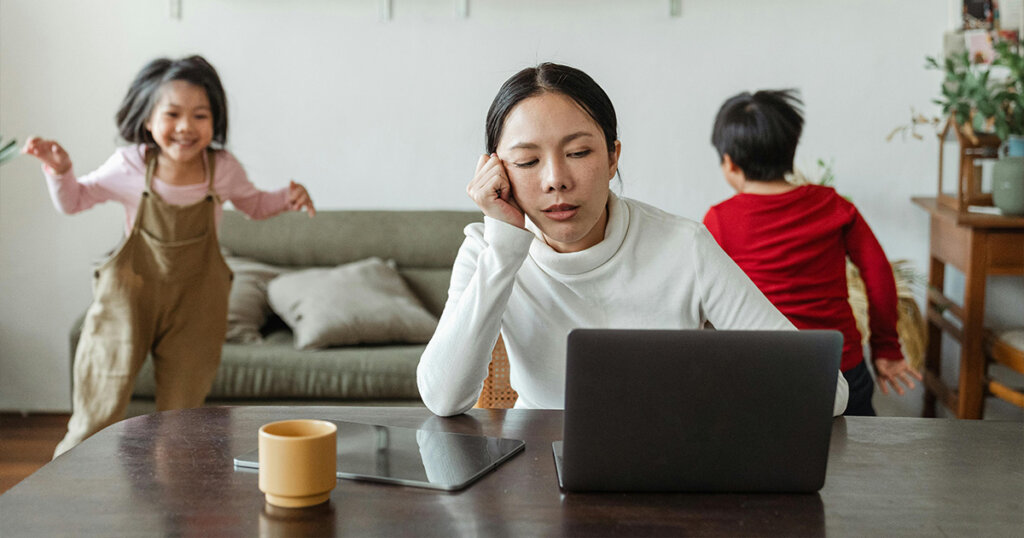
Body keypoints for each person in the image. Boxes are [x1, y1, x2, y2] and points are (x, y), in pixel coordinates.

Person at [417, 63, 848, 417]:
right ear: (497, 172)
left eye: (579, 153)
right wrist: (504, 246)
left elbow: (828, 392)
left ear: (612, 158)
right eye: (527, 161)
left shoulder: (684, 246)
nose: (555, 181)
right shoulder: (487, 250)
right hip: (536, 469)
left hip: (668, 462)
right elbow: (442, 398)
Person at [22, 55, 316, 457]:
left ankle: (172, 510)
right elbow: (75, 201)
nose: (185, 127)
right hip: (128, 300)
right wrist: (60, 171)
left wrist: (287, 197)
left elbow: (254, 205)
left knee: (181, 422)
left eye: (200, 115)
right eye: (173, 113)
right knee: (96, 412)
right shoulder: (129, 165)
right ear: (147, 119)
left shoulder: (222, 169)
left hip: (196, 305)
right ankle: (65, 498)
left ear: (215, 121)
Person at [702, 89, 921, 416]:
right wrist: (886, 347)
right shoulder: (834, 206)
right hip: (841, 369)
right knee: (856, 461)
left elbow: (707, 298)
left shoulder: (719, 220)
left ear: (729, 163)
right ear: (791, 151)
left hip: (763, 373)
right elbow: (878, 274)